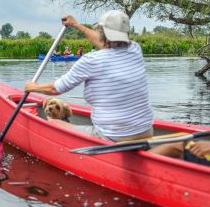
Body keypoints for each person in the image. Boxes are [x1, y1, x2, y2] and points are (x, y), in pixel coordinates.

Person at [24, 11, 154, 142]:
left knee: (52, 122)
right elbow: (106, 43)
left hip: (113, 136)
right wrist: (76, 25)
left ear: (102, 32)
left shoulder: (91, 60)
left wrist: (33, 87)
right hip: (146, 130)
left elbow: (55, 89)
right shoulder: (135, 49)